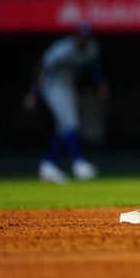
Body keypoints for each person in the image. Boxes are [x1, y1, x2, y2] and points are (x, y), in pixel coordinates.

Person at [24, 23, 109, 183]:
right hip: (51, 83)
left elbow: (94, 67)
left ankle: (48, 165)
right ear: (75, 36)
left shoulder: (91, 48)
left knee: (65, 125)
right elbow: (41, 66)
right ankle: (78, 163)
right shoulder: (62, 47)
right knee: (69, 122)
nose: (83, 40)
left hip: (67, 84)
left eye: (87, 37)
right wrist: (33, 92)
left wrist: (101, 83)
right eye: (81, 36)